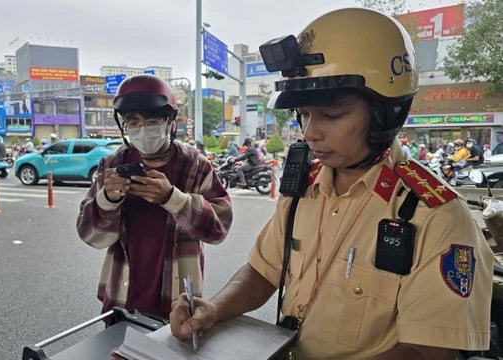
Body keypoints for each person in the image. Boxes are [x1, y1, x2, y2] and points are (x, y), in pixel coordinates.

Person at [170, 7, 493, 359]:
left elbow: (428, 352)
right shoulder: (303, 190)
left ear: (387, 111)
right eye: (305, 115)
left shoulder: (437, 217)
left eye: (332, 115)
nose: (310, 133)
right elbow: (262, 273)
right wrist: (213, 309)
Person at [76, 74, 233, 321]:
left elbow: (218, 229)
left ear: (170, 121)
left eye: (152, 120)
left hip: (177, 305)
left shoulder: (195, 166)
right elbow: (90, 235)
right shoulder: (113, 164)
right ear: (123, 124)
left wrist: (173, 198)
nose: (143, 129)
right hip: (121, 299)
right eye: (133, 121)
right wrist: (107, 199)